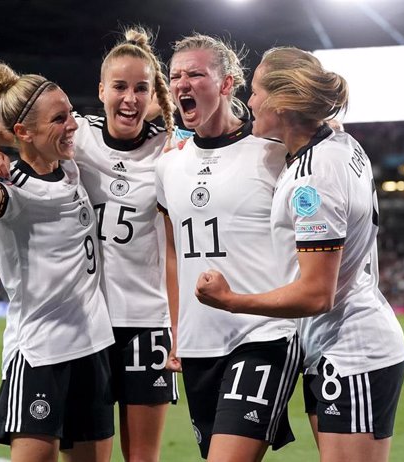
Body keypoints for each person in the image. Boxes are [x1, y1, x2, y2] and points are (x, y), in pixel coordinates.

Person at [195, 46, 404, 462]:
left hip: (352, 352)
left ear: (283, 103)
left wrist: (231, 302)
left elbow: (316, 294)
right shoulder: (339, 141)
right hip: (331, 349)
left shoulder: (312, 183)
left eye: (256, 92)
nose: (250, 101)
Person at [0, 28, 179, 462]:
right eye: (120, 87)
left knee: (143, 457)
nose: (130, 98)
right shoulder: (78, 134)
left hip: (147, 321)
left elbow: (171, 248)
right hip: (93, 327)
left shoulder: (172, 150)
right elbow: (12, 118)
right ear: (101, 89)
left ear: (151, 94)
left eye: (141, 88)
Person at [0, 61, 115, 462]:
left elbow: (5, 127)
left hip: (93, 347)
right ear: (24, 133)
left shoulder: (72, 169)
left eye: (70, 114)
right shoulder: (12, 192)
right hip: (42, 354)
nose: (72, 125)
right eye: (59, 119)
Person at [155, 34, 301, 461]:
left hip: (262, 335)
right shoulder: (168, 166)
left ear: (226, 84)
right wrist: (177, 327)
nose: (182, 83)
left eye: (195, 74)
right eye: (175, 75)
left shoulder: (274, 154)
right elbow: (172, 250)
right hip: (200, 344)